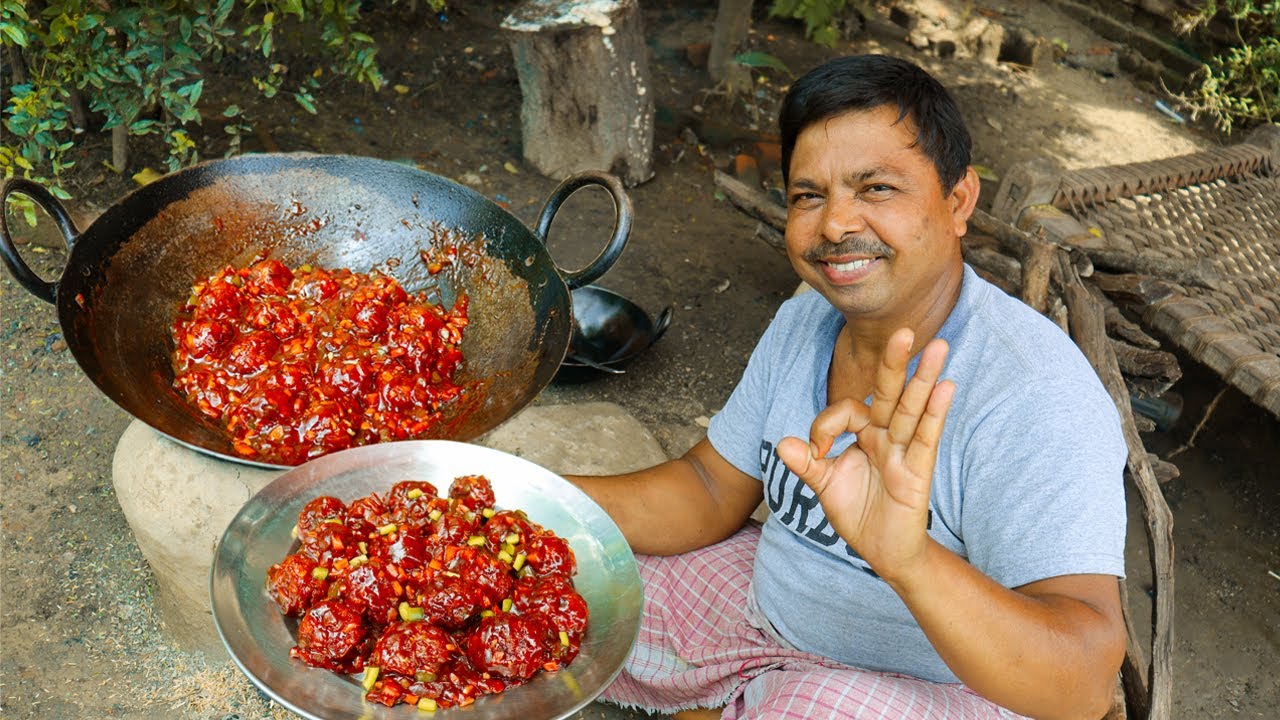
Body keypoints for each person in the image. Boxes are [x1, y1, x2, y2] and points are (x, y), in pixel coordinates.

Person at [570, 54, 1128, 720]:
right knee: (556, 583)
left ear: (958, 202)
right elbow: (712, 487)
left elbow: (1087, 683)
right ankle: (741, 693)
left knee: (806, 710)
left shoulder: (1037, 396)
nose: (834, 225)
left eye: (876, 189)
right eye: (809, 195)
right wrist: (528, 494)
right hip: (764, 610)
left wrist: (911, 561)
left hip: (939, 688)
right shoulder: (809, 314)